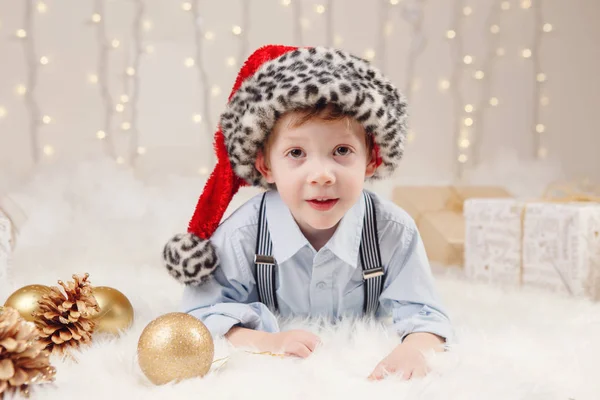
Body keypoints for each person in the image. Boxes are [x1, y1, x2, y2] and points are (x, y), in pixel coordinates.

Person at [163, 45, 454, 380]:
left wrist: (415, 348)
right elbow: (200, 314)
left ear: (372, 159)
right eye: (297, 152)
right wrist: (264, 340)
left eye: (341, 150)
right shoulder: (246, 233)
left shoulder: (391, 231)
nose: (321, 175)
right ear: (265, 164)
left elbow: (426, 312)